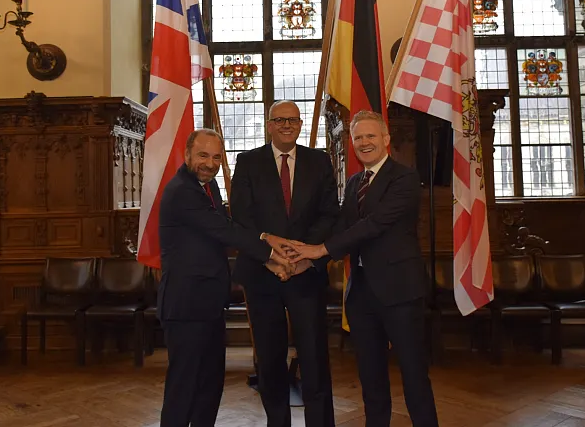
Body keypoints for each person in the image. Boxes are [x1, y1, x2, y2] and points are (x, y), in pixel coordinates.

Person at [290, 110, 439, 427]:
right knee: (371, 378)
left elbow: (375, 225)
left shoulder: (405, 178)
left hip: (400, 292)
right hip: (361, 295)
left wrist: (320, 250)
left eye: (371, 136)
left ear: (386, 139)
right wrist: (307, 257)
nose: (364, 142)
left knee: (413, 375)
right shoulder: (355, 181)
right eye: (358, 138)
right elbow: (343, 226)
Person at [157, 128, 296, 427]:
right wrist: (271, 255)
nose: (210, 163)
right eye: (203, 155)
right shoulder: (182, 191)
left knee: (209, 385)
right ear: (187, 155)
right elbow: (223, 231)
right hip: (185, 306)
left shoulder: (209, 187)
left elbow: (225, 226)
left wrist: (264, 242)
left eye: (217, 157)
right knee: (184, 388)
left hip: (208, 304)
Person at [230, 100, 339, 427]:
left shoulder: (319, 161)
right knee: (270, 357)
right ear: (269, 125)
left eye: (292, 120)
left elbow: (329, 214)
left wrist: (303, 254)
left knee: (314, 356)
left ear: (301, 123)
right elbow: (241, 217)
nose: (286, 125)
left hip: (306, 273)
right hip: (262, 275)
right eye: (279, 120)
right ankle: (277, 422)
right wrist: (271, 255)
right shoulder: (248, 162)